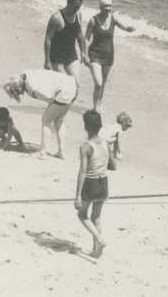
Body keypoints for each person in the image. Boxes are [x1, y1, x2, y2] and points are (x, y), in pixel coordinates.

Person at [3, 68, 78, 159]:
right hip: (72, 85)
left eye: (16, 92)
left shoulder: (31, 87)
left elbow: (48, 97)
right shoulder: (27, 73)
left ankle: (42, 152)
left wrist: (52, 106)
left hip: (62, 92)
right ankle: (61, 152)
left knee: (46, 119)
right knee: (59, 120)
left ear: (17, 87)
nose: (19, 94)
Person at [85, 0, 135, 112]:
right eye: (106, 6)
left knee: (103, 84)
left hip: (108, 56)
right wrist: (85, 55)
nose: (108, 8)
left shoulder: (113, 18)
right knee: (98, 82)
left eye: (110, 6)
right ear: (100, 7)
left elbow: (125, 27)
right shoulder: (93, 21)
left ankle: (99, 104)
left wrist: (130, 28)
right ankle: (95, 108)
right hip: (94, 55)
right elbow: (86, 38)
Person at [75, 110, 114, 258]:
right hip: (104, 182)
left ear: (86, 126)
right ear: (100, 126)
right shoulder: (106, 143)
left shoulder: (86, 146)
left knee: (82, 214)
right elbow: (113, 166)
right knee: (96, 217)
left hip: (91, 183)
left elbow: (83, 171)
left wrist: (77, 195)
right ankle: (96, 251)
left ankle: (99, 239)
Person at [45, 0, 88, 80]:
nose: (77, 9)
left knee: (76, 84)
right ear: (68, 3)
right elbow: (48, 39)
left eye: (79, 7)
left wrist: (83, 52)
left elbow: (80, 35)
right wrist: (47, 60)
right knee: (62, 84)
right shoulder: (56, 18)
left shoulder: (78, 15)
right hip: (57, 56)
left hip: (71, 54)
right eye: (75, 7)